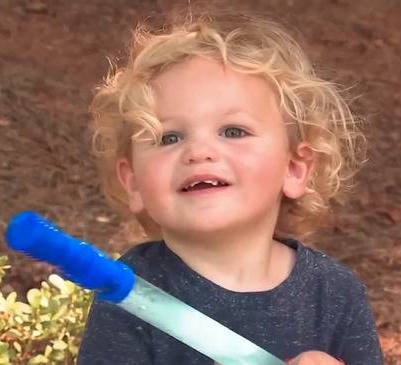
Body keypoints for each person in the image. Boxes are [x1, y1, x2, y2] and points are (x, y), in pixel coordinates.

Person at [78, 3, 383, 365]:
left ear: (295, 169)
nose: (199, 151)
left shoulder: (333, 295)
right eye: (169, 137)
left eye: (233, 131)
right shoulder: (133, 295)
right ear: (134, 183)